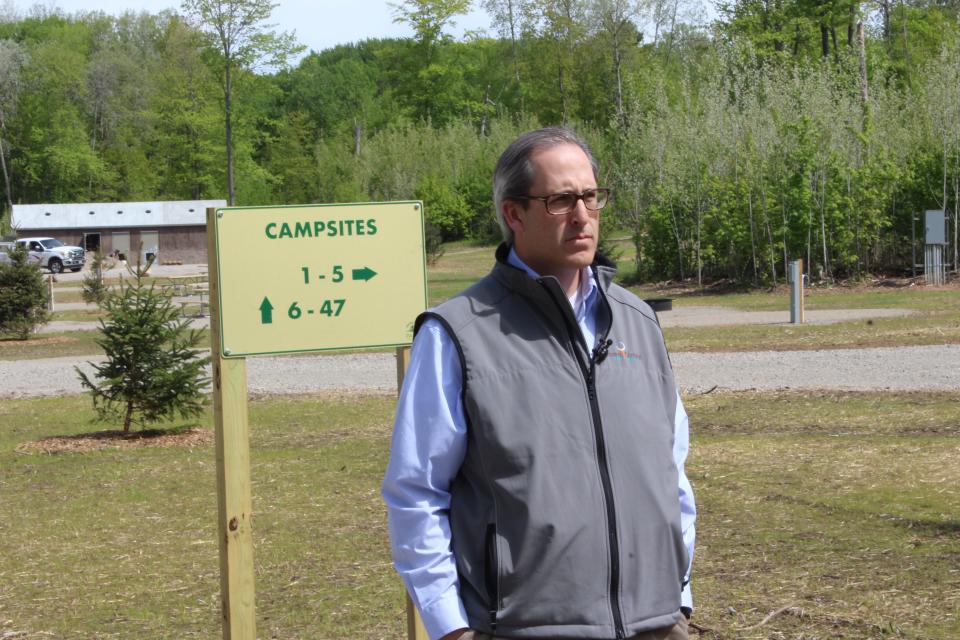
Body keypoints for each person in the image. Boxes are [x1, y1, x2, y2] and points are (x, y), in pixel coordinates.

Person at [382, 127, 696, 640]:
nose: (582, 215)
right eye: (561, 200)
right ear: (514, 213)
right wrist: (451, 628)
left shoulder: (638, 321)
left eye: (591, 197)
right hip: (525, 627)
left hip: (655, 623)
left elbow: (672, 472)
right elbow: (416, 492)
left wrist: (678, 595)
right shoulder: (457, 334)